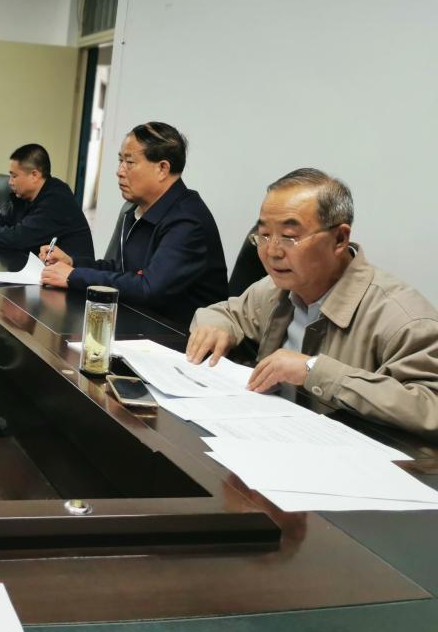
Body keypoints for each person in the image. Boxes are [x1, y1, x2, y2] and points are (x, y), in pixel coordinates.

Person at [187, 168, 438, 437]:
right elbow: (228, 313)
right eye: (264, 235)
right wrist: (216, 326)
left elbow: (430, 406)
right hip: (267, 434)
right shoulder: (275, 288)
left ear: (339, 239)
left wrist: (313, 370)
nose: (272, 251)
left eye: (289, 236)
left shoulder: (402, 317)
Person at [39, 122, 227, 325]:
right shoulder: (136, 210)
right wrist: (73, 263)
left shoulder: (188, 221)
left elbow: (149, 288)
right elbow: (122, 270)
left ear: (162, 169)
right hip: (140, 322)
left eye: (129, 162)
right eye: (120, 161)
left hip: (179, 335)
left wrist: (74, 276)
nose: (119, 171)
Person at [0, 143, 94, 260]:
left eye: (14, 176)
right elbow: (5, 221)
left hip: (71, 275)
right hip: (39, 268)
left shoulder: (57, 199)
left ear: (34, 175)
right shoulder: (24, 197)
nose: (10, 182)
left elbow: (19, 237)